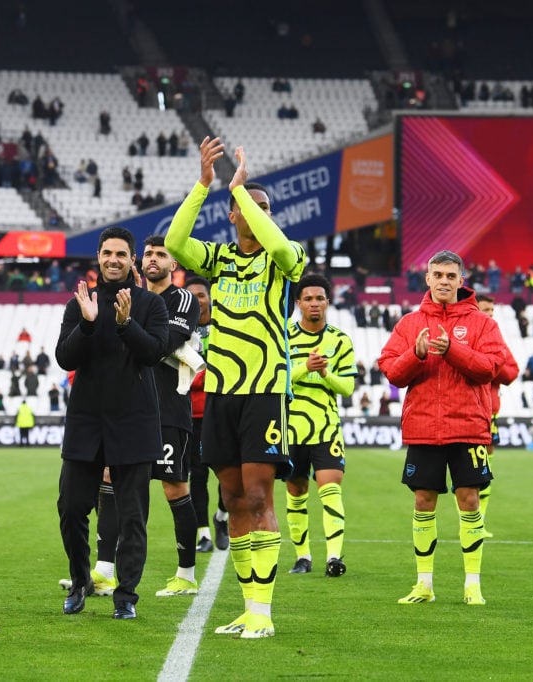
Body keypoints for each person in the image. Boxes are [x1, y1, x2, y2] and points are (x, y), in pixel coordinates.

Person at [166, 138, 305, 639]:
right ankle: (249, 607)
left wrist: (243, 190)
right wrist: (205, 186)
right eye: (247, 206)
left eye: (265, 208)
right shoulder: (221, 258)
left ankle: (264, 612)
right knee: (232, 497)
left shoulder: (283, 259)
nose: (257, 212)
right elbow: (178, 242)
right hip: (221, 393)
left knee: (259, 493)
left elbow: (281, 244)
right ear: (230, 217)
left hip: (265, 390)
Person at [379, 250, 506, 607]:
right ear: (428, 279)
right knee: (423, 501)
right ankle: (424, 584)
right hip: (424, 428)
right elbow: (392, 372)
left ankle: (472, 583)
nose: (445, 281)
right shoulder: (409, 324)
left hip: (467, 427)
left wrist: (452, 349)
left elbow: (490, 369)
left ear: (461, 281)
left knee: (469, 501)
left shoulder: (483, 324)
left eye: (451, 276)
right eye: (439, 275)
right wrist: (415, 355)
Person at [56, 226, 168, 620]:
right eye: (107, 253)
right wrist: (88, 323)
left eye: (121, 254)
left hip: (135, 421)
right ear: (98, 258)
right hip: (86, 421)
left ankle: (126, 597)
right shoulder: (80, 303)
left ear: (132, 260)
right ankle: (80, 581)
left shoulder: (150, 305)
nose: (113, 260)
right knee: (71, 508)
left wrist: (125, 323)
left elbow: (154, 353)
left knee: (133, 516)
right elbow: (65, 359)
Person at [140, 235, 202, 596]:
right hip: (131, 408)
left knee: (174, 486)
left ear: (173, 265)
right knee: (116, 483)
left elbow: (165, 341)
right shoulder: (132, 296)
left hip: (168, 407)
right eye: (148, 253)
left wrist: (129, 334)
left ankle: (187, 575)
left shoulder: (182, 299)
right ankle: (105, 570)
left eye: (161, 254)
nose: (153, 259)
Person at [284, 274, 357, 577]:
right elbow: (276, 377)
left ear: (328, 302)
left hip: (326, 428)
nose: (315, 303)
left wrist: (326, 375)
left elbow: (348, 388)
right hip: (290, 428)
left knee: (330, 488)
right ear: (299, 302)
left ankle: (334, 557)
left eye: (320, 298)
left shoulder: (340, 340)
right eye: (309, 298)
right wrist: (304, 367)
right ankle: (303, 557)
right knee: (296, 491)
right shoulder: (284, 335)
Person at [460, 294, 518, 539]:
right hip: (467, 409)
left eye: (493, 310)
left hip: (490, 411)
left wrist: (489, 365)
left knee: (485, 469)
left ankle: (480, 521)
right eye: (486, 309)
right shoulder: (467, 334)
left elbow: (511, 372)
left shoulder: (496, 337)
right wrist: (483, 364)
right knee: (466, 473)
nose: (491, 314)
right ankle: (469, 519)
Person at [184, 276, 229, 554]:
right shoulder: (179, 329)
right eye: (191, 295)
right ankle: (203, 534)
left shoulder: (224, 328)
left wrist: (199, 373)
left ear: (209, 297)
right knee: (197, 475)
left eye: (201, 295)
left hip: (221, 411)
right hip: (190, 415)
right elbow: (184, 375)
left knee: (228, 473)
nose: (197, 300)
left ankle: (222, 517)